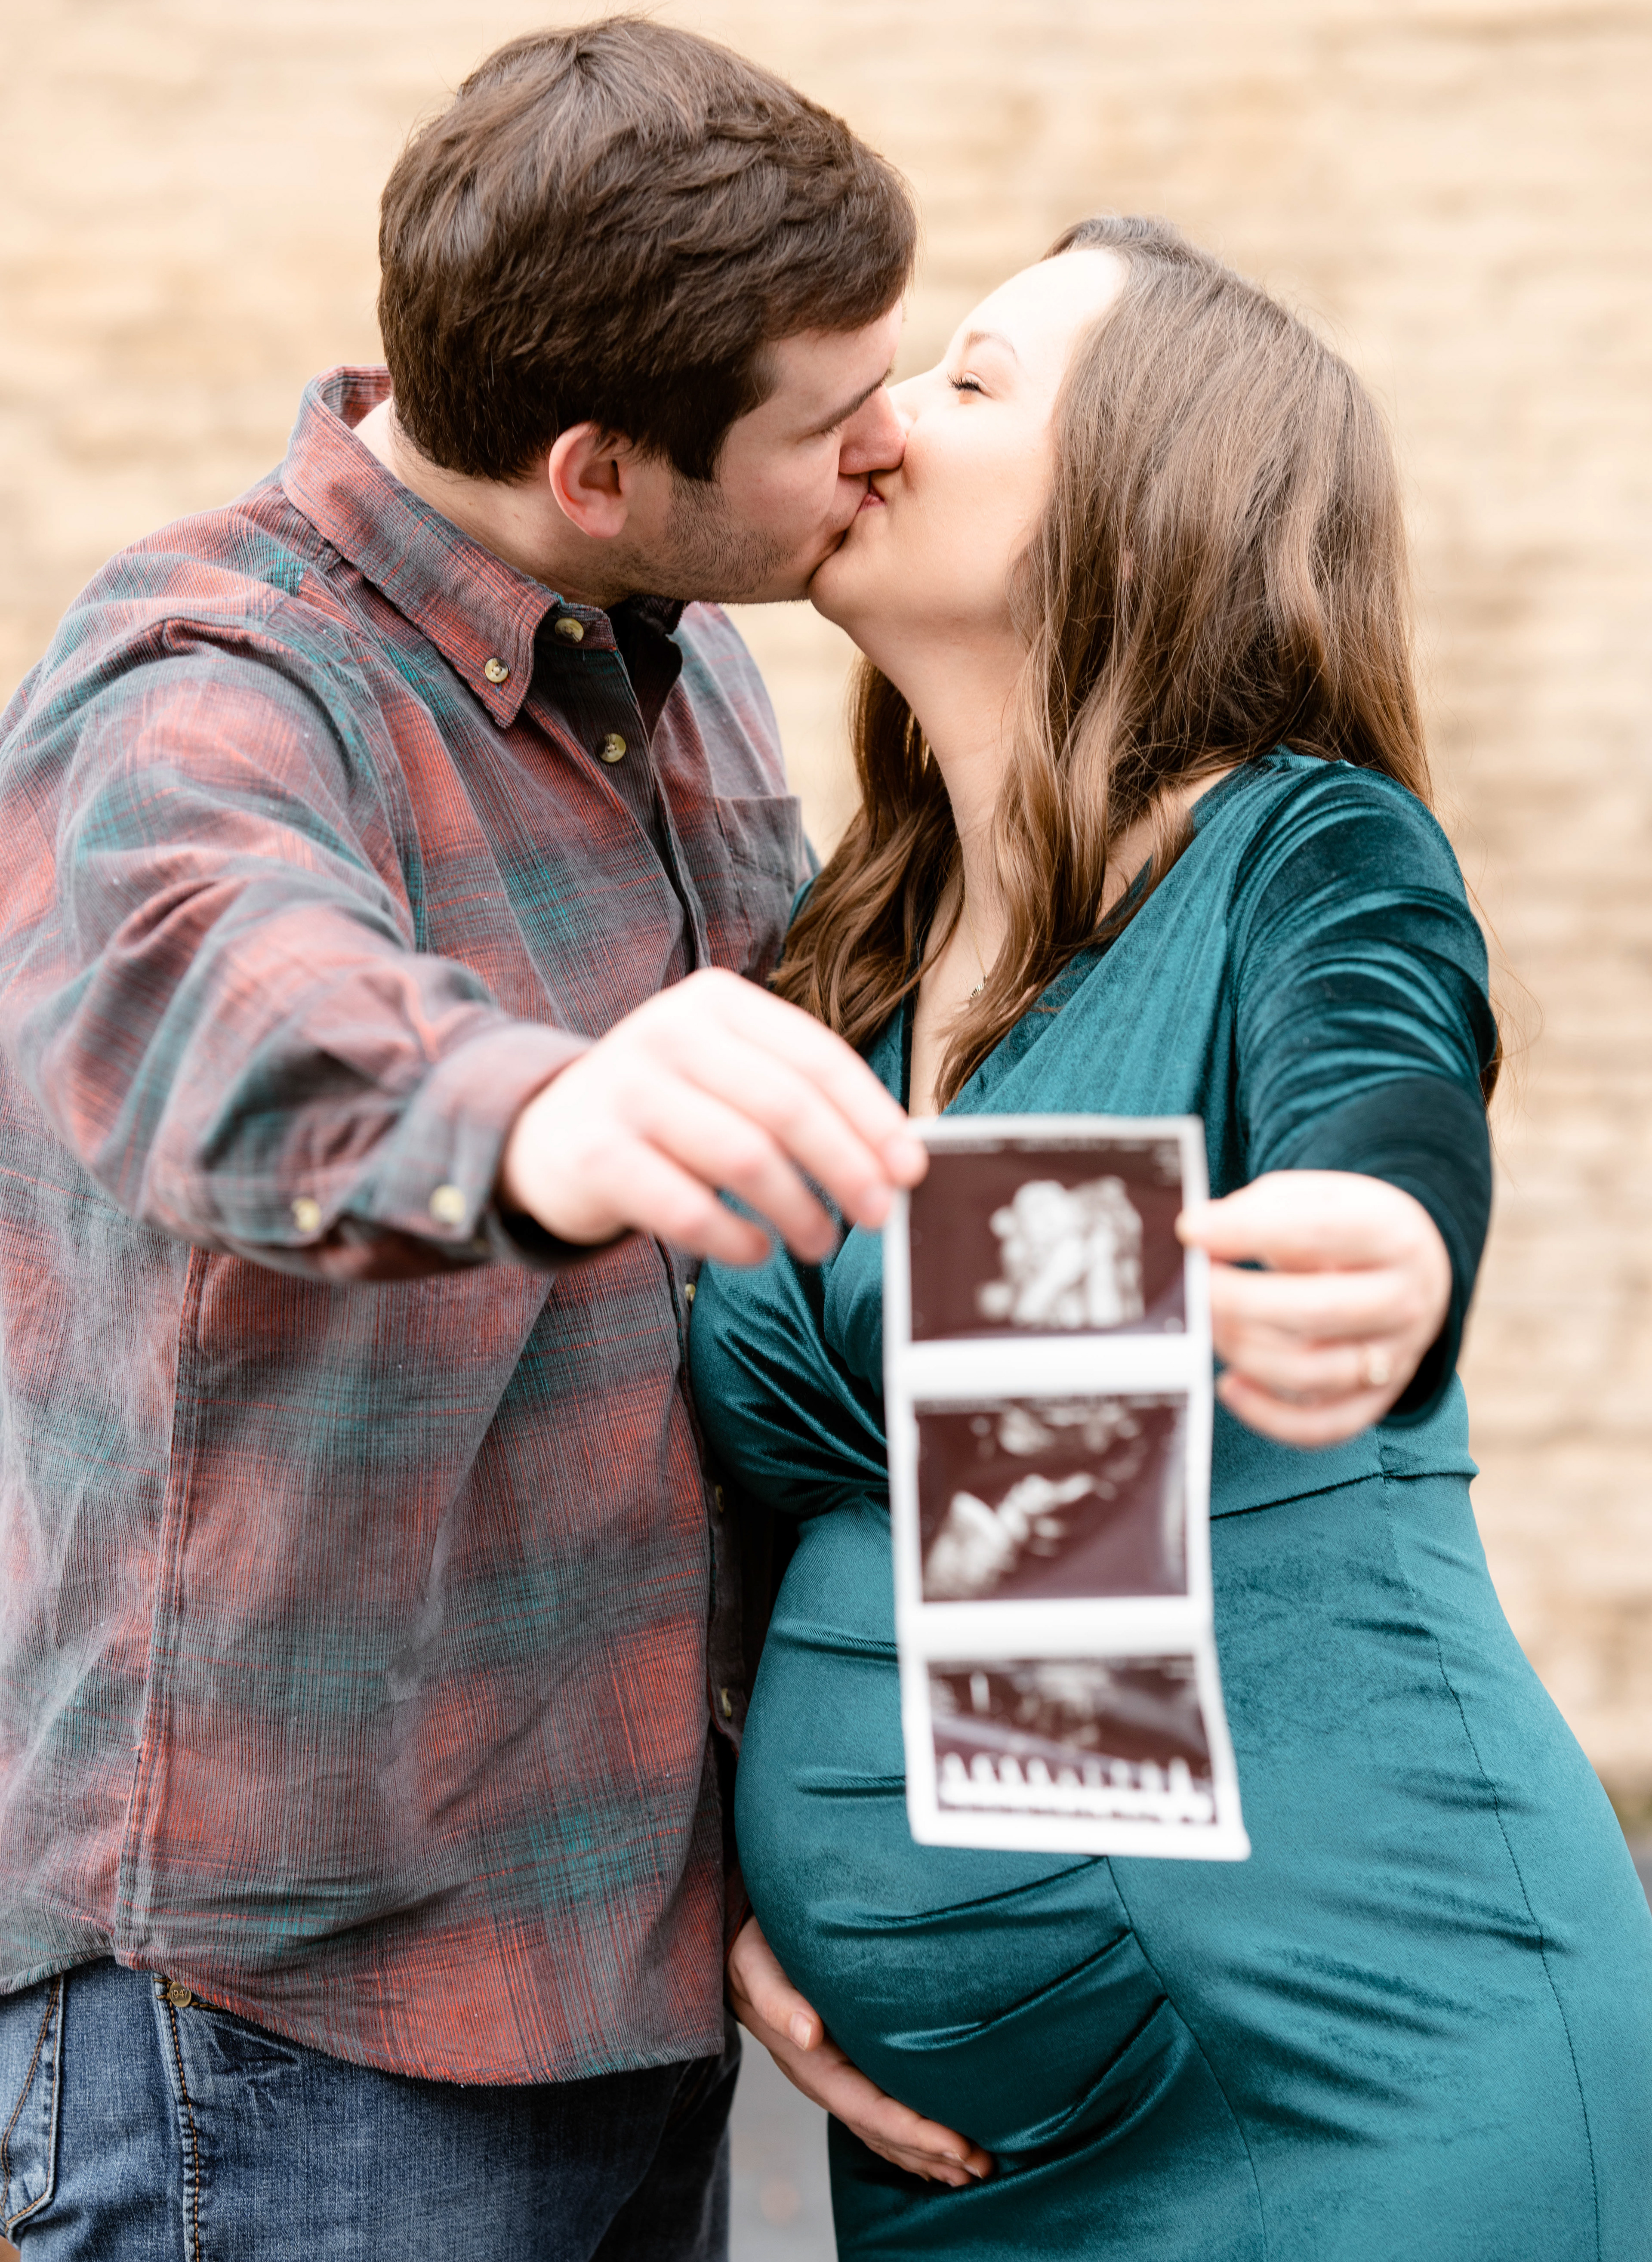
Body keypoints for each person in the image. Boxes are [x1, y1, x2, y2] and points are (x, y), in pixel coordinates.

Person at [0, 15, 974, 2259]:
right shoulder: (205, 684)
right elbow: (213, 1006)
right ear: (602, 464)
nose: (888, 445)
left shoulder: (681, 659)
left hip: (620, 1978)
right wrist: (537, 1106)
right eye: (837, 420)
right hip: (287, 2026)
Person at [691, 218, 1652, 2257]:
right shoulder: (842, 954)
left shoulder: (1300, 845)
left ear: (1147, 490)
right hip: (979, 2156)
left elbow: (1386, 1068)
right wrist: (726, 1877)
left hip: (1367, 2056)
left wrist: (1393, 1238)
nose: (880, 422)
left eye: (969, 381)